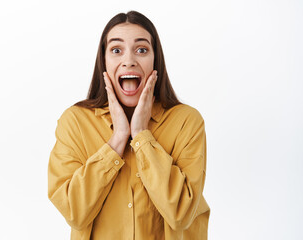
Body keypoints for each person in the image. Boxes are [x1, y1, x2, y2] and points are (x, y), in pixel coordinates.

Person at [48, 10, 210, 240]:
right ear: (104, 61)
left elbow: (181, 214)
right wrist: (118, 139)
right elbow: (74, 212)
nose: (129, 60)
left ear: (156, 60)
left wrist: (142, 136)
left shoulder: (187, 122)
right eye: (116, 50)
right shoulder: (75, 122)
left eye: (142, 50)